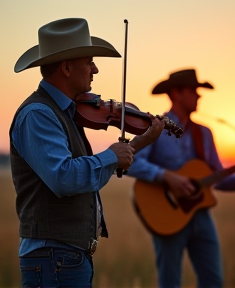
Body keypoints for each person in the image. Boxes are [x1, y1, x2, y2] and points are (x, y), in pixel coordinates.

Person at [9, 18, 165, 287]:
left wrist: (138, 143)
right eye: (89, 61)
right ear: (67, 67)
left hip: (64, 258)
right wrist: (111, 155)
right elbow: (64, 178)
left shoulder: (68, 112)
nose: (95, 69)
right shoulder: (38, 114)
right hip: (53, 259)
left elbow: (86, 176)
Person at [127, 69, 235, 288]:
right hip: (168, 215)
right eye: (193, 91)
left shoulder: (204, 133)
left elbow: (216, 178)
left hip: (201, 215)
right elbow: (130, 161)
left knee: (213, 281)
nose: (199, 96)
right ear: (176, 94)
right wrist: (167, 177)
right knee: (170, 283)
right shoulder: (155, 128)